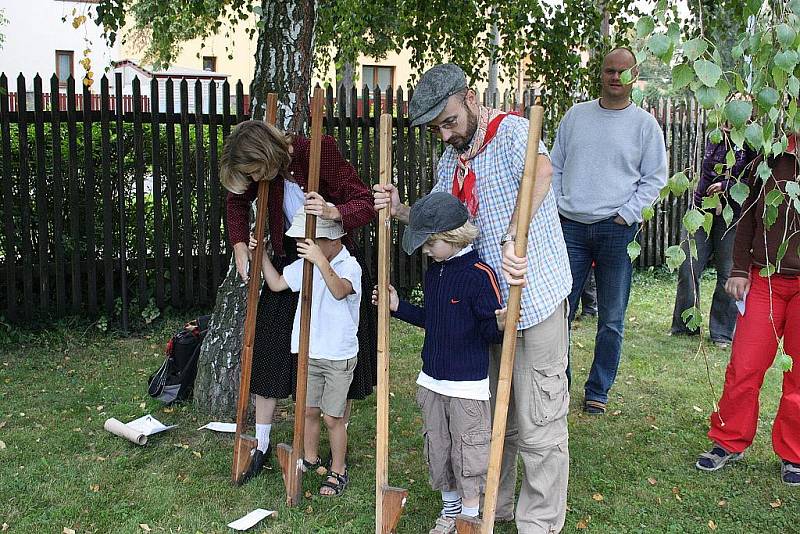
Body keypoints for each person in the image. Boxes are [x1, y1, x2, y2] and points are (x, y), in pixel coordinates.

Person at [375, 63, 572, 533]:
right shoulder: (452, 160)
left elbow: (541, 174)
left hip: (533, 298)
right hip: (483, 308)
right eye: (436, 128)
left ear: (469, 99)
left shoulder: (512, 133)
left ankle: (539, 522)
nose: (444, 134)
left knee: (539, 416)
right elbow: (443, 223)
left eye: (449, 121)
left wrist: (511, 235)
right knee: (487, 418)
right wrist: (400, 209)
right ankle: (491, 507)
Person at [221, 120, 376, 484]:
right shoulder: (258, 171)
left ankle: (338, 444)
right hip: (292, 260)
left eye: (254, 172)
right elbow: (236, 202)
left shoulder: (319, 152)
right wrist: (241, 245)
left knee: (338, 355)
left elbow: (364, 203)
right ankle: (261, 444)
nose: (252, 180)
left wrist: (332, 211)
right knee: (270, 350)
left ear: (267, 157)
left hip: (331, 259)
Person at [374, 192, 507, 533]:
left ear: (451, 238)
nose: (425, 251)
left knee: (468, 450)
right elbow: (433, 319)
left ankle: (468, 514)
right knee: (439, 446)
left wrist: (503, 324)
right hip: (432, 380)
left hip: (467, 387)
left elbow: (489, 332)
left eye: (430, 244)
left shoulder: (480, 274)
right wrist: (397, 306)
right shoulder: (435, 274)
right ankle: (449, 511)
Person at [550, 47, 668, 414]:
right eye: (609, 71)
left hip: (617, 231)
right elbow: (553, 166)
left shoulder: (645, 125)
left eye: (623, 72)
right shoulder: (576, 117)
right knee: (559, 314)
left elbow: (655, 179)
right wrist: (556, 206)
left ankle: (598, 391)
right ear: (600, 74)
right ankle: (560, 387)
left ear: (634, 76)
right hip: (570, 227)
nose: (615, 77)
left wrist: (627, 214)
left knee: (612, 318)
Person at [695, 134, 799, 487]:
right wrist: (739, 269)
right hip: (765, 278)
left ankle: (794, 453)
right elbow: (748, 217)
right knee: (744, 365)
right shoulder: (768, 157)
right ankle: (729, 440)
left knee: (799, 375)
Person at [255, 210, 360, 496]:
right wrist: (262, 255)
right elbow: (277, 284)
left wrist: (319, 261)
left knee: (332, 418)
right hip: (310, 351)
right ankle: (310, 458)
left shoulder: (350, 266)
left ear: (333, 239)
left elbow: (339, 291)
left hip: (338, 355)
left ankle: (338, 468)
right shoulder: (306, 265)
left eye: (310, 239)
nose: (303, 243)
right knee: (309, 410)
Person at [670, 135, 756, 347]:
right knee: (687, 266)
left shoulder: (753, 140)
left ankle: (722, 333)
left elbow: (755, 179)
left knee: (728, 273)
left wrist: (725, 186)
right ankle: (685, 326)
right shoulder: (713, 135)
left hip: (733, 215)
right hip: (701, 210)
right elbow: (707, 171)